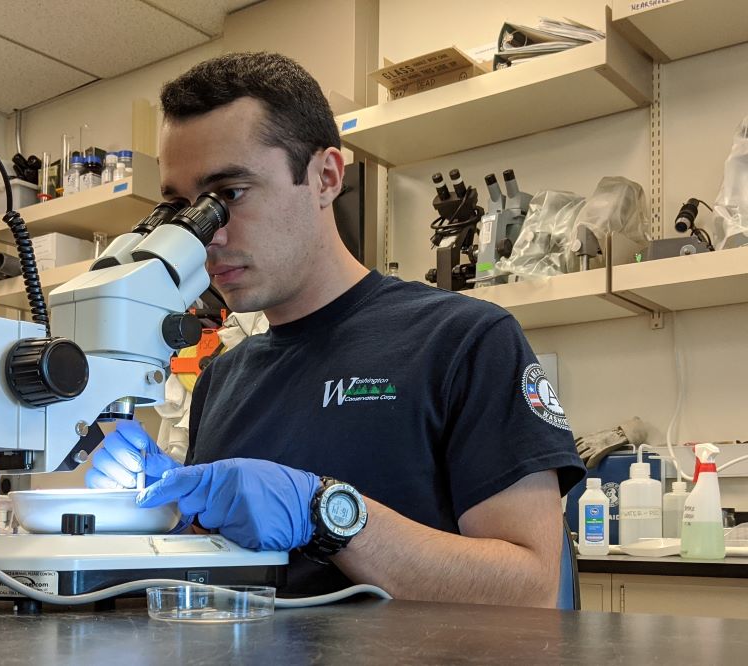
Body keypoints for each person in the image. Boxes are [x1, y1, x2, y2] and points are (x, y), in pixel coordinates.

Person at [87, 52, 586, 607]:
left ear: (326, 177)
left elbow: (532, 589)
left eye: (228, 194)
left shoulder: (465, 340)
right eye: (182, 207)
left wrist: (325, 512)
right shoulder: (222, 378)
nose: (208, 235)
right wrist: (168, 511)